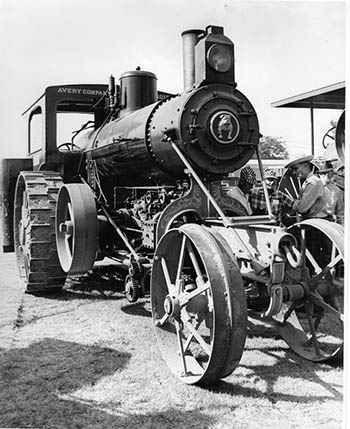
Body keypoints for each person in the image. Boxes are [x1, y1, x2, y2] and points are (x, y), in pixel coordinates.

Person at [284, 154, 328, 220]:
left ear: (305, 166)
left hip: (315, 222)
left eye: (296, 168)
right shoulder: (308, 181)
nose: (293, 172)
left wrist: (293, 203)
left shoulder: (313, 182)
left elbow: (302, 208)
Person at [316, 160, 344, 225]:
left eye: (329, 173)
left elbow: (340, 214)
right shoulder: (312, 188)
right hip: (313, 222)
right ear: (319, 175)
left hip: (328, 223)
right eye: (323, 173)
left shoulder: (336, 190)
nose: (326, 176)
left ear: (332, 173)